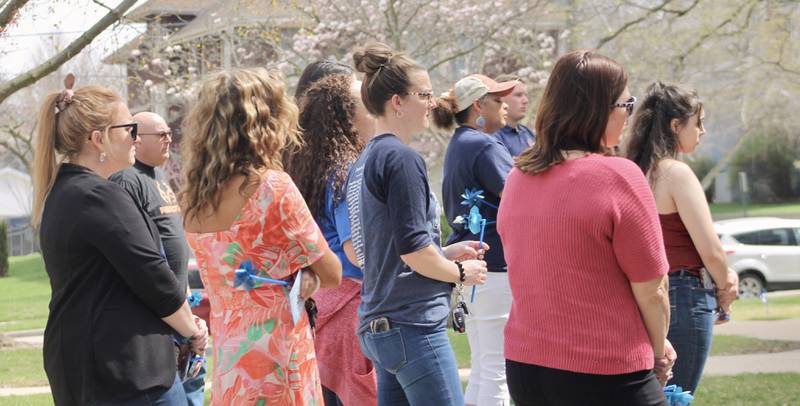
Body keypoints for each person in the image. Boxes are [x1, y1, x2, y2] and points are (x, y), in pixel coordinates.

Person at [496, 50, 676, 406]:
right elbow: (652, 289)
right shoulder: (618, 176)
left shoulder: (519, 177)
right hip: (605, 369)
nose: (628, 116)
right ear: (600, 109)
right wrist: (658, 348)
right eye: (627, 105)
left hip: (527, 368)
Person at [32, 76, 206, 405]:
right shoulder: (99, 196)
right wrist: (192, 329)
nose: (136, 140)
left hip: (88, 362)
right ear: (98, 139)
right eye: (130, 130)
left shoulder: (65, 192)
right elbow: (153, 276)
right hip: (125, 370)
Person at [179, 67, 342, 405]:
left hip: (232, 364)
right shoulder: (272, 187)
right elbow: (332, 273)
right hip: (279, 357)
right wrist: (304, 274)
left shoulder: (193, 200)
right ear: (267, 121)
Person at [346, 41, 488, 406]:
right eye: (423, 94)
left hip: (380, 325)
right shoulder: (401, 158)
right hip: (413, 326)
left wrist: (441, 252)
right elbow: (412, 252)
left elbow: (386, 250)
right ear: (397, 101)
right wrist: (459, 271)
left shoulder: (363, 162)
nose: (432, 102)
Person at [625, 82, 739, 395]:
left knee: (649, 394)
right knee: (676, 396)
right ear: (676, 125)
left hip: (641, 295)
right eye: (698, 122)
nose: (702, 131)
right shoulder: (675, 173)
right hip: (683, 295)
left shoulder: (631, 169)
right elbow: (711, 250)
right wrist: (725, 284)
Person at [285, 71, 378, 405]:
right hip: (349, 311)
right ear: (348, 118)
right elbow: (358, 252)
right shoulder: (347, 172)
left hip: (320, 305)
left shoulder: (310, 167)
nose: (376, 110)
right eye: (366, 103)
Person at [109, 111, 207, 405]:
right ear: (136, 140)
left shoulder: (159, 177)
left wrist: (191, 315)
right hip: (158, 324)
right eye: (161, 134)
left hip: (181, 317)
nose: (169, 140)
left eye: (169, 134)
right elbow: (139, 261)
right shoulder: (127, 180)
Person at [431, 73, 515, 406]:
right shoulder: (482, 143)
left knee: (485, 367)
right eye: (497, 100)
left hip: (472, 267)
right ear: (478, 106)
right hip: (492, 264)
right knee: (496, 369)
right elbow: (517, 196)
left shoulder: (461, 142)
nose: (504, 105)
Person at [493, 74, 534, 157]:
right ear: (499, 99)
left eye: (526, 95)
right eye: (518, 95)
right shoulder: (492, 137)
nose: (525, 100)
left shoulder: (527, 132)